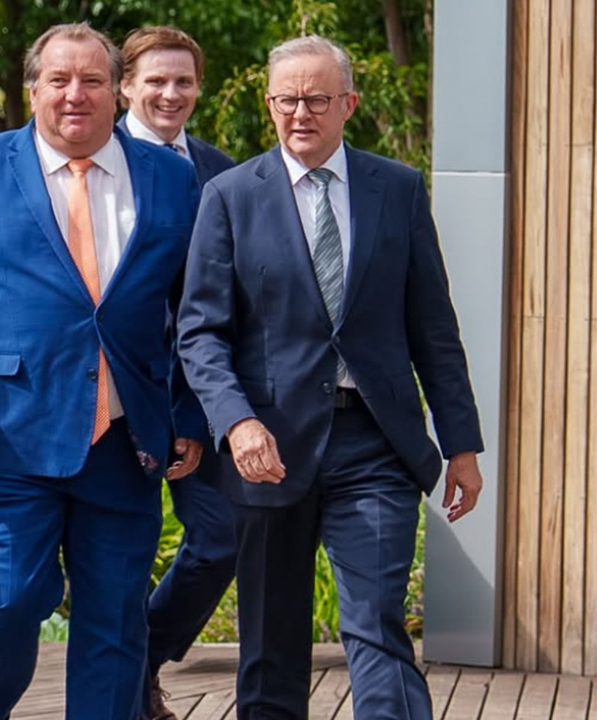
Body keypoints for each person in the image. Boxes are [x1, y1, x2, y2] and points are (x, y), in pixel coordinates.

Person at [0, 23, 206, 720]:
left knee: (115, 619)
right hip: (9, 433)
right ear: (34, 88)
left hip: (127, 439)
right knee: (14, 598)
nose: (75, 95)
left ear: (117, 91)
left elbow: (196, 308)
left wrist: (188, 412)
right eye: (59, 80)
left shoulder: (169, 176)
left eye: (92, 80)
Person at [176, 35, 485, 720]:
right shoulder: (229, 196)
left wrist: (461, 443)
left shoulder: (397, 190)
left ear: (348, 103)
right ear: (269, 104)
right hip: (267, 448)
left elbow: (433, 327)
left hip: (375, 443)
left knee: (376, 622)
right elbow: (200, 331)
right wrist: (237, 422)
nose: (300, 113)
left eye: (317, 99)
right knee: (269, 640)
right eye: (286, 100)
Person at [115, 26, 237, 720]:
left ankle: (142, 657)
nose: (170, 93)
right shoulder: (95, 160)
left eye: (183, 81)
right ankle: (130, 690)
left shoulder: (223, 172)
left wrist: (197, 411)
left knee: (220, 539)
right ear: (126, 86)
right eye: (155, 80)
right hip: (113, 393)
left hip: (200, 393)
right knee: (122, 554)